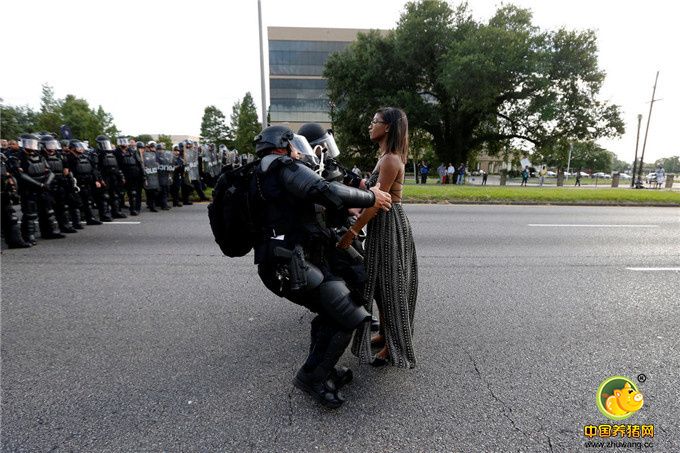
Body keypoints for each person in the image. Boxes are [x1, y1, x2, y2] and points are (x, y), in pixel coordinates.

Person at [251, 125, 392, 408]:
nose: (297, 151)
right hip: (289, 265)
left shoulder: (264, 170)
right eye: (293, 145)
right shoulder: (280, 165)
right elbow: (321, 189)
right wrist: (371, 197)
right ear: (283, 145)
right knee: (346, 314)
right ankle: (312, 377)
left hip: (289, 261)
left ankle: (322, 369)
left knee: (330, 313)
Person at [338, 107, 418, 369]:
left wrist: (352, 231)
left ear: (388, 128)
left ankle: (393, 344)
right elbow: (370, 192)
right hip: (382, 224)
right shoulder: (384, 157)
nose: (371, 126)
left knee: (390, 286)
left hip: (388, 224)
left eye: (375, 122)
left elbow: (377, 203)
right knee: (382, 286)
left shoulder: (391, 160)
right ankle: (384, 333)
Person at [9, 133, 65, 244]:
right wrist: (38, 184)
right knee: (30, 214)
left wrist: (46, 183)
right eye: (28, 143)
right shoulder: (17, 157)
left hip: (43, 187)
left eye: (33, 143)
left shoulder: (40, 156)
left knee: (48, 211)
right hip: (29, 189)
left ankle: (50, 232)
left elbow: (49, 171)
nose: (31, 146)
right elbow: (21, 175)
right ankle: (29, 235)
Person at [66, 140, 104, 226]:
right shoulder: (69, 158)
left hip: (87, 182)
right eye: (78, 147)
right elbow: (68, 172)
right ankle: (76, 222)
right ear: (72, 148)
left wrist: (96, 180)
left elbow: (92, 169)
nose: (81, 148)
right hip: (76, 183)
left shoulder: (85, 157)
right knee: (76, 203)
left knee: (87, 201)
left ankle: (90, 219)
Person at [96, 135, 127, 219]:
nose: (105, 145)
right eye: (103, 143)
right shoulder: (97, 154)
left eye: (106, 143)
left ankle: (116, 212)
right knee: (104, 196)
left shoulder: (111, 153)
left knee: (115, 195)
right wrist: (99, 179)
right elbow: (96, 168)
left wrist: (121, 176)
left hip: (113, 176)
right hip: (104, 177)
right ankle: (104, 215)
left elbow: (117, 166)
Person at [115, 136, 144, 216]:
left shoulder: (132, 151)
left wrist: (142, 175)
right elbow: (116, 165)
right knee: (119, 194)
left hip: (133, 176)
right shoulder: (116, 152)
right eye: (122, 142)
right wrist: (120, 176)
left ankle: (133, 209)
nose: (124, 143)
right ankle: (118, 211)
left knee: (132, 193)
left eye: (125, 141)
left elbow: (139, 163)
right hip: (121, 176)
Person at [142, 141, 160, 212]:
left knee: (155, 191)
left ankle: (151, 204)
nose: (152, 148)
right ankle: (151, 206)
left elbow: (158, 163)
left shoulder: (155, 154)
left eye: (153, 147)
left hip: (155, 174)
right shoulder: (144, 155)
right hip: (147, 174)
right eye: (151, 147)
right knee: (149, 191)